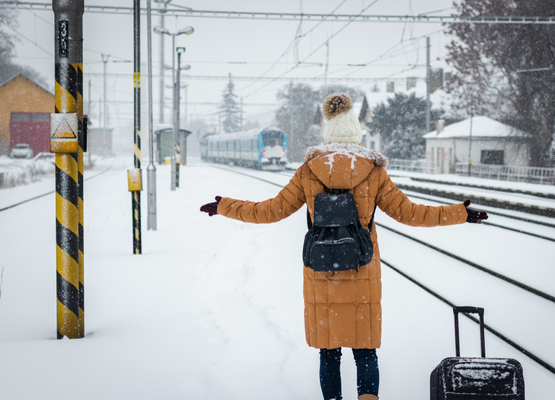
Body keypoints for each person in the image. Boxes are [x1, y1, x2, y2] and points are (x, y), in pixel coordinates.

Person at [200, 93, 488, 400]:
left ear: (328, 133)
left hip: (322, 274)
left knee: (329, 354)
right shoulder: (374, 171)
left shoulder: (309, 170)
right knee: (365, 353)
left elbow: (270, 210)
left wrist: (225, 207)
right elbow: (411, 213)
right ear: (356, 134)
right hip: (361, 272)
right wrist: (459, 213)